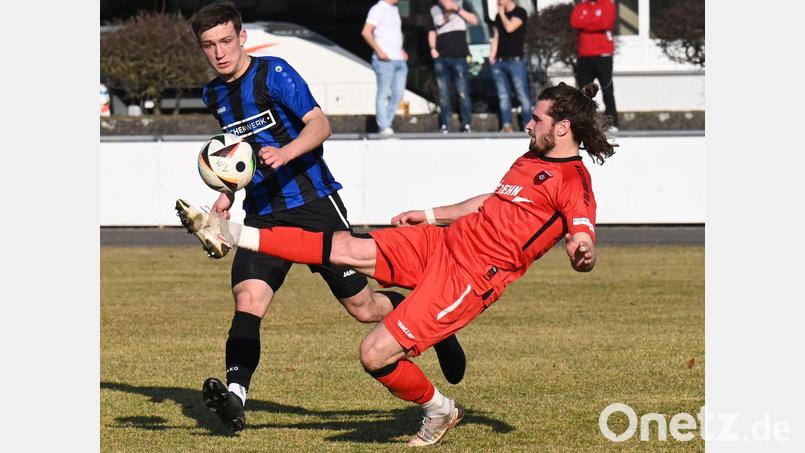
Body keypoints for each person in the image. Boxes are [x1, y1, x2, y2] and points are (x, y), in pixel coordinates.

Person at [177, 82, 616, 446]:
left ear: (562, 127)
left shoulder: (574, 182)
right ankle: (229, 233)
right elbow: (493, 201)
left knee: (373, 354)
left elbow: (583, 235)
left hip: (468, 279)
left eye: (536, 119)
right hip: (441, 243)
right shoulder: (531, 158)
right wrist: (430, 215)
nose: (528, 123)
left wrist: (583, 252)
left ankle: (439, 410)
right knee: (345, 246)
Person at [184, 1, 465, 434]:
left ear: (242, 38)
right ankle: (236, 399)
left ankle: (432, 324)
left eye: (225, 41)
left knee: (364, 308)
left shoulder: (274, 73)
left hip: (314, 206)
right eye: (209, 45)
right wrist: (226, 195)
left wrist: (286, 152)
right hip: (263, 216)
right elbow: (238, 158)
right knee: (248, 300)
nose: (219, 52)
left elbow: (319, 125)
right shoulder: (213, 95)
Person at [427, 0, 479, 133]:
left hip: (459, 56)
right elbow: (431, 31)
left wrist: (456, 8)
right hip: (441, 58)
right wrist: (432, 48)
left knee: (463, 92)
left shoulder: (462, 3)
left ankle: (467, 124)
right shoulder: (434, 9)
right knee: (443, 93)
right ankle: (445, 124)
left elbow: (474, 21)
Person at [570, 0, 620, 131]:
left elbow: (605, 24)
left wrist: (586, 23)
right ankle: (585, 122)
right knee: (584, 93)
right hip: (584, 55)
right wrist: (595, 22)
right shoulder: (581, 6)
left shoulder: (608, 5)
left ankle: (612, 122)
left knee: (607, 90)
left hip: (603, 55)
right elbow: (575, 22)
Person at [361, 0, 408, 136]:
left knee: (398, 94)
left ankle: (386, 123)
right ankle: (384, 126)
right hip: (384, 60)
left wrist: (401, 50)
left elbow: (393, 34)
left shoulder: (394, 9)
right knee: (383, 93)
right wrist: (379, 51)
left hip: (399, 59)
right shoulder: (378, 8)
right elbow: (366, 32)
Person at [489, 0, 531, 132]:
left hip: (515, 61)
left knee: (522, 94)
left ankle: (528, 125)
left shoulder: (520, 12)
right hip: (499, 61)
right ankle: (506, 125)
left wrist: (502, 14)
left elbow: (510, 28)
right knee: (503, 95)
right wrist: (492, 56)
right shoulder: (498, 16)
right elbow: (496, 36)